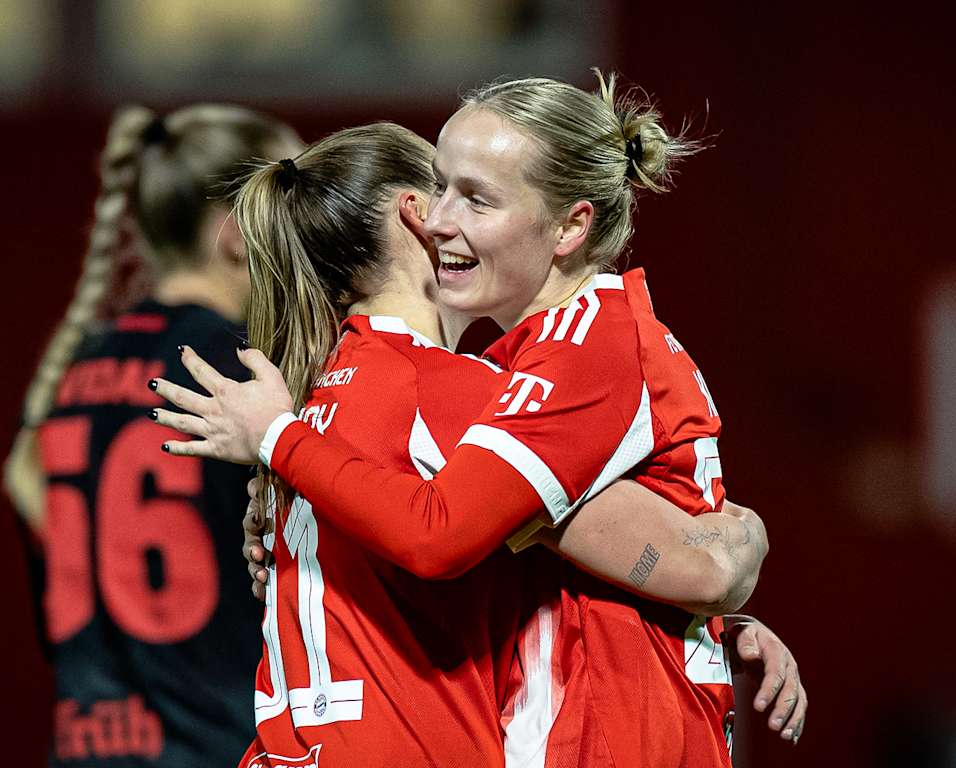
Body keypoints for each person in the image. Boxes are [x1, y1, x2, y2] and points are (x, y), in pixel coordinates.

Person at [155, 72, 807, 763]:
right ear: (408, 215)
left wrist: (713, 615)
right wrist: (739, 556)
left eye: (473, 197)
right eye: (439, 188)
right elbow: (695, 567)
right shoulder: (468, 386)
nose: (441, 219)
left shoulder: (333, 385)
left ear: (570, 224)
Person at [3, 104, 302, 766]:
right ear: (234, 232)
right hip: (217, 746)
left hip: (84, 750)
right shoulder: (241, 373)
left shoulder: (76, 370)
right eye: (292, 202)